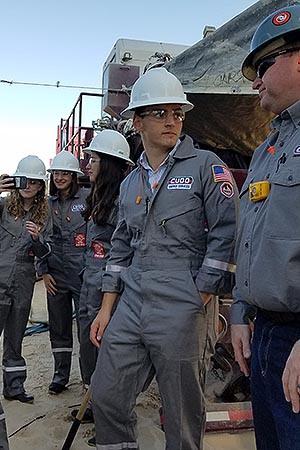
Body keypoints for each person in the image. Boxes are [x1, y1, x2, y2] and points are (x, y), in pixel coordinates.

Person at [90, 67, 238, 450]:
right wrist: (108, 307)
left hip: (183, 300)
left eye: (178, 113)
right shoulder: (131, 182)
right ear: (137, 121)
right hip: (134, 299)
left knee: (181, 410)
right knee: (106, 394)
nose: (172, 121)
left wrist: (201, 296)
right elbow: (121, 247)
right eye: (160, 113)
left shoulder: (207, 167)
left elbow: (226, 235)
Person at [231, 5, 300, 450]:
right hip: (265, 336)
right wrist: (239, 311)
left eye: (263, 65)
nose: (255, 81)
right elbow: (250, 237)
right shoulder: (267, 149)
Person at [71, 130, 133, 430]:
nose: (87, 166)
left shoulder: (123, 202)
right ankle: (92, 400)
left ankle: (110, 413)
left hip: (108, 291)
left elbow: (123, 253)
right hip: (90, 287)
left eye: (92, 159)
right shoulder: (98, 198)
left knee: (106, 350)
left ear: (108, 164)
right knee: (87, 343)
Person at [36, 150, 88, 395]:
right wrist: (44, 272)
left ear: (74, 176)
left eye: (65, 172)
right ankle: (60, 376)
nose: (59, 177)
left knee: (87, 329)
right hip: (55, 274)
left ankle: (89, 378)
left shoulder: (88, 199)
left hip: (82, 275)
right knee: (59, 326)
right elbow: (39, 241)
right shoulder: (47, 205)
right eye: (56, 173)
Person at [0, 155, 51, 404]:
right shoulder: (3, 207)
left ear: (41, 185)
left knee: (15, 335)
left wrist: (38, 239)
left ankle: (14, 387)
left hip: (23, 281)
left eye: (34, 181)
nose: (28, 185)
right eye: (23, 180)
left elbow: (47, 253)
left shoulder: (45, 215)